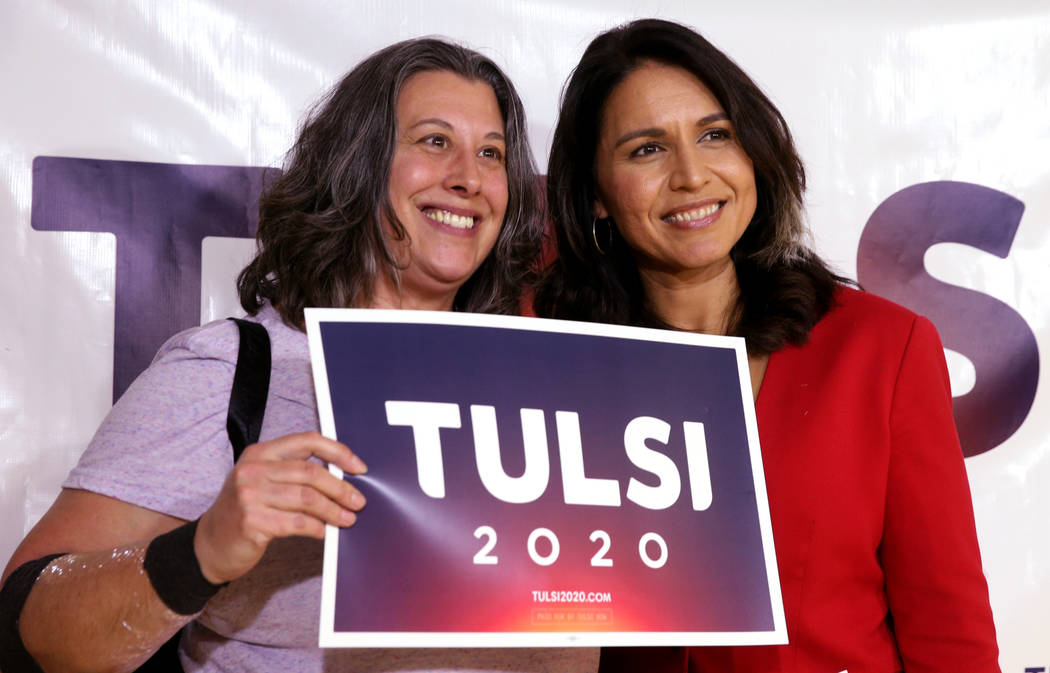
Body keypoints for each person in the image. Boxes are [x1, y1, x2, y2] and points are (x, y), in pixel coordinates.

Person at [1, 38, 598, 673]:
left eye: (491, 153)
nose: (469, 178)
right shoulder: (233, 369)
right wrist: (199, 553)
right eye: (433, 141)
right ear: (357, 166)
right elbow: (23, 625)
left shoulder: (555, 383)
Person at [533, 18, 1000, 673]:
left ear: (753, 153)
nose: (692, 175)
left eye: (715, 135)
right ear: (595, 196)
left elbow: (951, 639)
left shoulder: (880, 350)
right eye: (646, 150)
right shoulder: (541, 363)